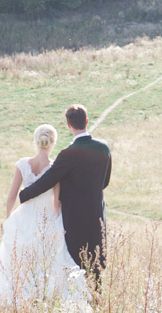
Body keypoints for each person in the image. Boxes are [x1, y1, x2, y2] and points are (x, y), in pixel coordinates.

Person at [0, 124, 90, 307]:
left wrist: (8, 218)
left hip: (23, 218)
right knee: (49, 260)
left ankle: (18, 298)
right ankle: (46, 299)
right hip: (46, 219)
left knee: (19, 261)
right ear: (53, 143)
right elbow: (57, 202)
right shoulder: (54, 167)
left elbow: (12, 195)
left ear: (36, 141)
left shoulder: (23, 164)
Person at [18, 104, 112, 285]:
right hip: (97, 214)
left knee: (78, 263)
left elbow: (48, 181)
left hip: (75, 218)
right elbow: (105, 181)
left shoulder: (68, 154)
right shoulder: (104, 148)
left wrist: (24, 195)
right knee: (97, 264)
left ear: (68, 125)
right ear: (86, 121)